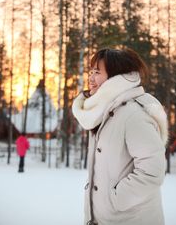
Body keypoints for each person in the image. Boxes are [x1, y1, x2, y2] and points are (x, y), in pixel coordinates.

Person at [72, 48, 168, 225]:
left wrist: (116, 199)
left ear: (116, 77)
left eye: (97, 72)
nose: (91, 78)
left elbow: (152, 171)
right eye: (90, 72)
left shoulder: (133, 115)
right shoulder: (103, 113)